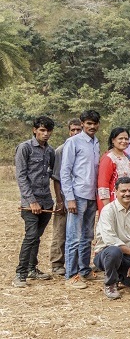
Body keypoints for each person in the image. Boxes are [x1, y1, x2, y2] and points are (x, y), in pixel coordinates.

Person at [12, 116, 56, 288]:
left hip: (46, 201)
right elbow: (21, 177)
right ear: (35, 130)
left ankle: (32, 268)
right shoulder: (25, 148)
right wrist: (31, 201)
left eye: (48, 131)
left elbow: (52, 174)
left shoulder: (50, 151)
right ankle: (20, 273)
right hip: (30, 203)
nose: (45, 134)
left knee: (37, 237)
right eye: (42, 130)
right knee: (30, 237)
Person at [61, 109, 101, 289]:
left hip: (92, 195)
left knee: (87, 236)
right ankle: (71, 275)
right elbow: (65, 171)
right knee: (73, 237)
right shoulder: (73, 142)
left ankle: (84, 270)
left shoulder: (96, 143)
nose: (92, 127)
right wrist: (69, 198)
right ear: (83, 124)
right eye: (88, 124)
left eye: (94, 124)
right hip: (77, 195)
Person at [49, 118, 81, 276]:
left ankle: (75, 262)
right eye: (73, 130)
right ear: (69, 131)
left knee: (77, 232)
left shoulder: (85, 149)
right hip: (64, 197)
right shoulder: (61, 150)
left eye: (78, 130)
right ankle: (57, 263)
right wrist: (60, 200)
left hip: (80, 197)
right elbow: (56, 178)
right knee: (60, 230)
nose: (75, 133)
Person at [98, 127, 130, 212]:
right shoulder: (109, 158)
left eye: (126, 139)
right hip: (114, 201)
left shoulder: (127, 157)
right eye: (120, 138)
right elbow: (103, 185)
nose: (124, 141)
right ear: (113, 140)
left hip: (129, 199)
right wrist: (108, 208)